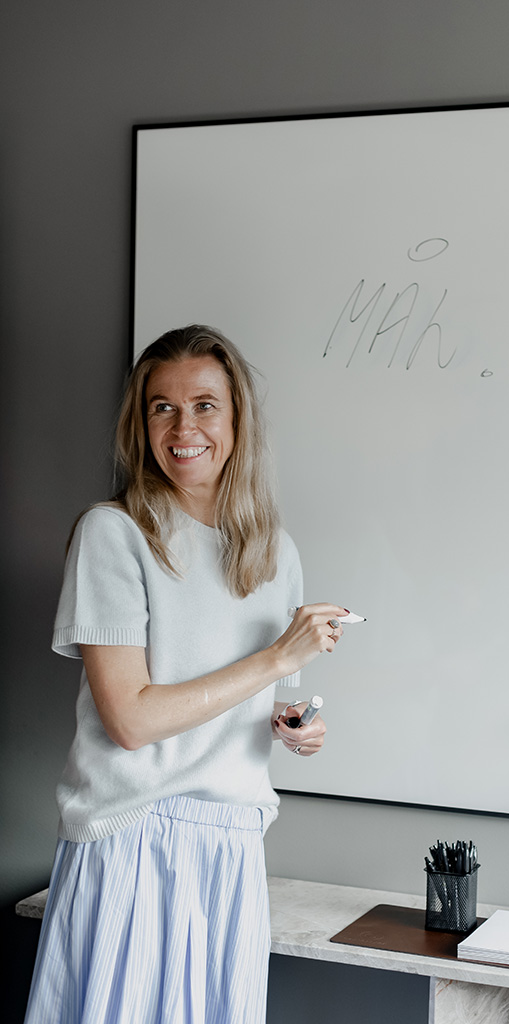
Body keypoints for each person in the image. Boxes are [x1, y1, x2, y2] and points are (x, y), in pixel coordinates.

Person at [24, 324, 347, 1024]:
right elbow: (132, 720)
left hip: (231, 845)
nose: (183, 427)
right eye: (161, 407)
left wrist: (290, 722)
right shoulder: (114, 534)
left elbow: (236, 698)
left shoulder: (273, 552)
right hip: (131, 836)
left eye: (204, 405)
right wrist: (276, 660)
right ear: (140, 424)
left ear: (236, 421)